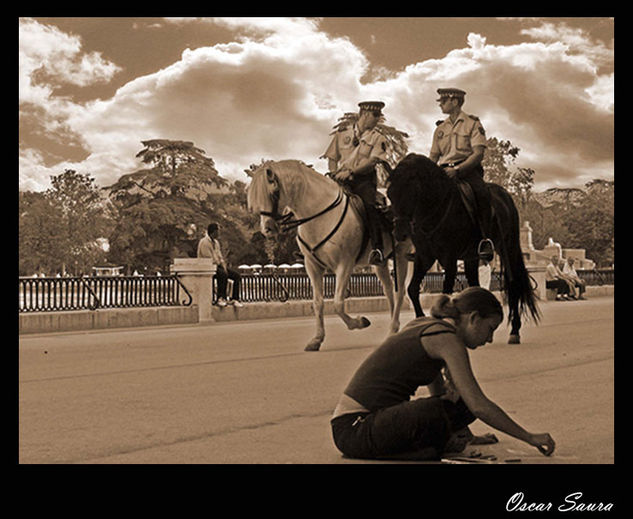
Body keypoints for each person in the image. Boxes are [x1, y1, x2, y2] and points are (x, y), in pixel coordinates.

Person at [331, 287, 555, 461]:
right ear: (473, 318)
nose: (489, 339)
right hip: (354, 429)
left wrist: (464, 434)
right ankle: (426, 452)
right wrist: (529, 437)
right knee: (443, 408)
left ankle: (432, 447)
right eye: (490, 329)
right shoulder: (447, 339)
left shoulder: (430, 325)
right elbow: (478, 404)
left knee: (458, 404)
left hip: (364, 426)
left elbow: (443, 396)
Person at [429, 88, 494, 262]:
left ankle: (485, 240)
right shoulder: (440, 129)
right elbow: (434, 156)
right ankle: (421, 243)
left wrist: (458, 170)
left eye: (443, 101)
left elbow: (478, 153)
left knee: (482, 194)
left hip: (466, 170)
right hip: (443, 171)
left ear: (455, 102)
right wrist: (429, 173)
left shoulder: (472, 124)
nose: (441, 105)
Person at [333, 101, 390, 266]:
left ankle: (377, 249)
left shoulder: (378, 138)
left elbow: (373, 161)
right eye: (375, 115)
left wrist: (351, 172)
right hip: (339, 178)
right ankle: (311, 248)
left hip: (363, 181)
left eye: (379, 115)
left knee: (369, 207)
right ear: (364, 114)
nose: (378, 119)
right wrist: (334, 172)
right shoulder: (343, 134)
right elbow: (332, 157)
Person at [197, 223, 243, 308]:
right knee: (223, 274)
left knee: (236, 276)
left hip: (217, 266)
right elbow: (209, 259)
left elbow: (220, 256)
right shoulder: (204, 242)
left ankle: (235, 298)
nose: (219, 233)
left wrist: (224, 265)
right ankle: (220, 298)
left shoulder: (216, 243)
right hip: (207, 267)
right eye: (218, 231)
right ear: (213, 232)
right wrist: (221, 265)